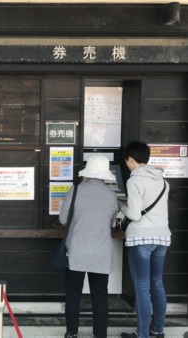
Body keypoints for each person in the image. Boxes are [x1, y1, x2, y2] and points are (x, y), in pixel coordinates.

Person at [59, 155, 119, 338]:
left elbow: (63, 219)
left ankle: (72, 333)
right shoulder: (111, 196)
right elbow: (112, 223)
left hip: (77, 251)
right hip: (101, 253)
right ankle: (100, 335)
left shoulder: (75, 190)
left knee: (73, 294)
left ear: (88, 172)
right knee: (100, 296)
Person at [119, 141, 171, 338]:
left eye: (127, 161)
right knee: (157, 283)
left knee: (142, 287)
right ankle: (157, 330)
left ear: (131, 159)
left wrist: (119, 204)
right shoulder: (162, 180)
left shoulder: (134, 181)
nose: (127, 165)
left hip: (141, 237)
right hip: (162, 237)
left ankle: (142, 334)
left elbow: (134, 215)